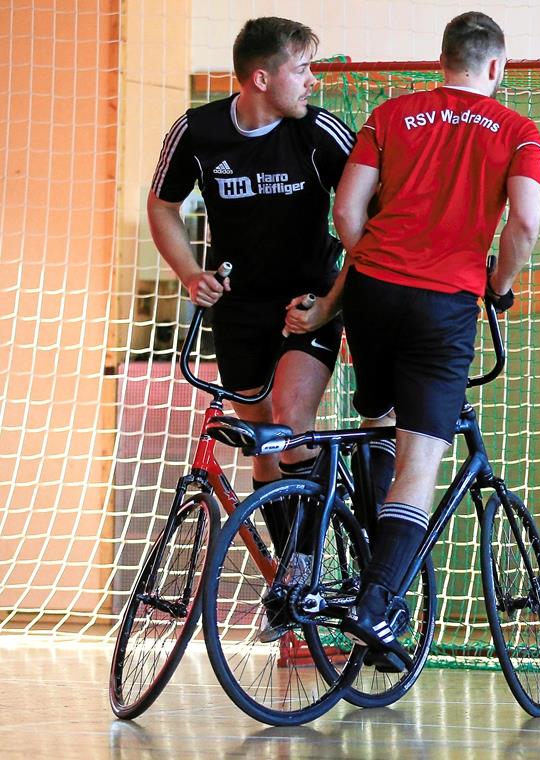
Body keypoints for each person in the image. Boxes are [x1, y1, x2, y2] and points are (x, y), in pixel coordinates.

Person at [331, 11, 540, 670]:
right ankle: (377, 605)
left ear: (442, 59)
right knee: (419, 461)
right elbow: (525, 224)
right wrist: (498, 284)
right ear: (496, 67)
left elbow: (345, 210)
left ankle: (367, 565)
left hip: (369, 291)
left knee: (376, 424)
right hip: (444, 302)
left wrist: (377, 262)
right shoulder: (517, 131)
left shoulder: (391, 113)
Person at [147, 17, 359, 639]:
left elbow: (374, 213)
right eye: (302, 68)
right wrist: (191, 273)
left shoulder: (317, 132)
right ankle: (299, 559)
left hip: (309, 298)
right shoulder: (198, 130)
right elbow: (162, 206)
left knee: (288, 423)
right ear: (261, 78)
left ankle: (304, 569)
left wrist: (333, 299)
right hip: (239, 308)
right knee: (261, 439)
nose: (312, 80)